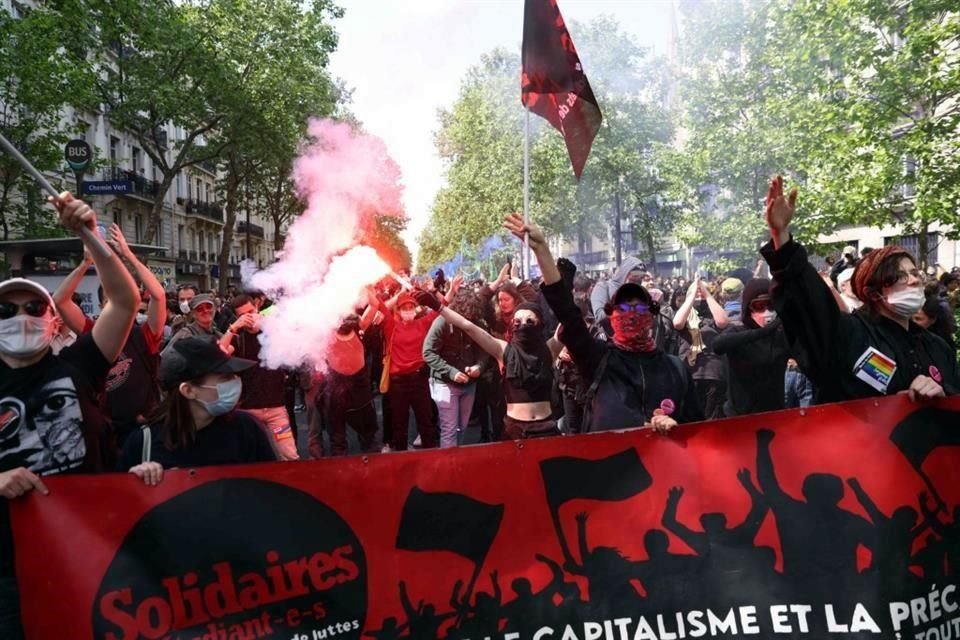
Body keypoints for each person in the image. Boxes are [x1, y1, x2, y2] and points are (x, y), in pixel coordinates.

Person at [0, 192, 139, 639]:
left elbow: (124, 302)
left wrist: (88, 234)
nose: (21, 317)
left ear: (54, 321)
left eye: (34, 307)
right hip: (9, 571)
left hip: (88, 551)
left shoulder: (79, 366)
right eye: (6, 311)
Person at [762, 174, 957, 401]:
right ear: (872, 292)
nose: (913, 281)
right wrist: (781, 237)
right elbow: (808, 303)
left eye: (914, 273)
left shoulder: (938, 348)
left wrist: (943, 397)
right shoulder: (849, 335)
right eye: (899, 276)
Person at [505, 213, 702, 433]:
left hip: (661, 465)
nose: (632, 313)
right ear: (613, 315)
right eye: (624, 308)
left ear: (651, 317)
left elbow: (697, 430)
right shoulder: (599, 359)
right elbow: (566, 311)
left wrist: (676, 427)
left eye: (639, 308)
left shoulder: (674, 369)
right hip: (609, 465)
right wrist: (541, 250)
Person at [53, 224, 167, 446]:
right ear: (101, 305)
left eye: (122, 302)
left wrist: (129, 255)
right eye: (111, 303)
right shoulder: (92, 334)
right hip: (106, 431)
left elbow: (159, 295)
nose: (118, 309)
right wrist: (86, 262)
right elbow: (60, 301)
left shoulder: (144, 334)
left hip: (143, 428)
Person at [118, 336, 276, 483]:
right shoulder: (144, 442)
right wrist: (138, 482)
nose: (235, 381)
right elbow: (122, 502)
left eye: (234, 375)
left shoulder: (247, 428)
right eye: (224, 378)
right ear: (188, 390)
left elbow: (273, 486)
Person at [436, 295, 563, 440]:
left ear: (539, 323)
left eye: (529, 321)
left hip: (546, 427)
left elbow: (568, 324)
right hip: (515, 430)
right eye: (518, 322)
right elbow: (468, 326)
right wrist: (438, 306)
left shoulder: (549, 349)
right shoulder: (504, 350)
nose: (523, 325)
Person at [219, 295, 299, 461]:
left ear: (257, 307)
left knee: (289, 456)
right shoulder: (238, 337)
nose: (249, 317)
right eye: (243, 315)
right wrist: (233, 328)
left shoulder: (273, 331)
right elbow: (218, 354)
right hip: (248, 410)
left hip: (276, 409)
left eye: (251, 311)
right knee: (249, 458)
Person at [371, 289, 441, 451]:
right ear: (399, 310)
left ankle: (430, 454)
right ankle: (401, 458)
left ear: (416, 309)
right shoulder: (391, 325)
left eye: (411, 307)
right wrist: (370, 288)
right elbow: (377, 304)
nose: (408, 311)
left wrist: (442, 291)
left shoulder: (422, 323)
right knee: (399, 423)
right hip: (398, 383)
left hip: (418, 379)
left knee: (425, 420)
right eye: (404, 308)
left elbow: (441, 308)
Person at [422, 286, 490, 448]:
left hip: (469, 384)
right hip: (444, 383)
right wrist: (452, 372)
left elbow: (485, 350)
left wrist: (478, 367)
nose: (468, 321)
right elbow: (428, 352)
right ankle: (449, 466)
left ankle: (456, 460)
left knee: (462, 427)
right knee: (449, 429)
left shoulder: (478, 322)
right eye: (465, 317)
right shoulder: (442, 322)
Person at [314, 296, 380, 457]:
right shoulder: (325, 333)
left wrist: (369, 288)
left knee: (368, 435)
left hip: (359, 387)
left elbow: (374, 304)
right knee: (337, 438)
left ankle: (373, 466)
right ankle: (340, 470)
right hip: (335, 389)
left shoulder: (359, 326)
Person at [714, 278, 790, 416]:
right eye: (759, 306)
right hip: (740, 416)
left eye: (770, 305)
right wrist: (763, 332)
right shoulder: (738, 333)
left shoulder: (782, 337)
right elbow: (718, 345)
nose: (766, 311)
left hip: (774, 413)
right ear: (748, 308)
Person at [672, 275, 730, 419]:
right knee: (691, 418)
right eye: (695, 291)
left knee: (711, 419)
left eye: (701, 291)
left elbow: (723, 322)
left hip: (713, 374)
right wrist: (691, 297)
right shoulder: (686, 314)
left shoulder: (713, 314)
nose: (699, 293)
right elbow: (677, 323)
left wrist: (707, 294)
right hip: (690, 373)